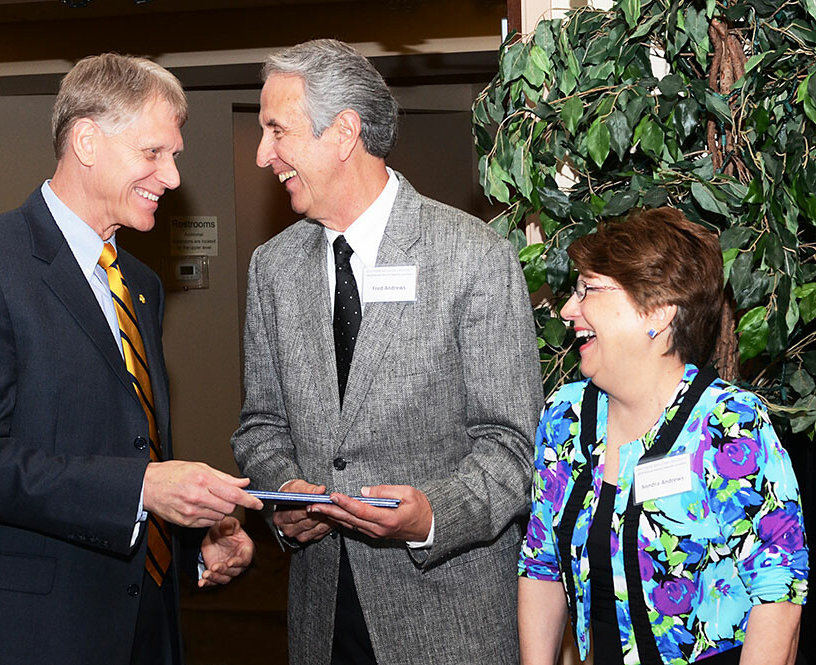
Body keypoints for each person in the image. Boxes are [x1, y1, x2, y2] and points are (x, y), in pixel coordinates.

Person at [0, 53, 263, 665]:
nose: (173, 177)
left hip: (140, 625)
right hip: (23, 633)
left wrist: (189, 545)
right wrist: (144, 488)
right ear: (87, 141)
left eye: (173, 155)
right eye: (155, 153)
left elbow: (125, 446)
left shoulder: (142, 284)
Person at [230, 39, 542, 665]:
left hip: (445, 619)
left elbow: (513, 447)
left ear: (343, 133)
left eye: (276, 130)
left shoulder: (472, 255)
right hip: (321, 616)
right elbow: (259, 426)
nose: (264, 154)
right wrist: (284, 493)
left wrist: (431, 515)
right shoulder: (273, 267)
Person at [518, 208, 809, 665]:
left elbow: (778, 591)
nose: (568, 309)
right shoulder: (565, 416)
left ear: (657, 310)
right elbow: (540, 561)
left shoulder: (729, 424)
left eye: (588, 290)